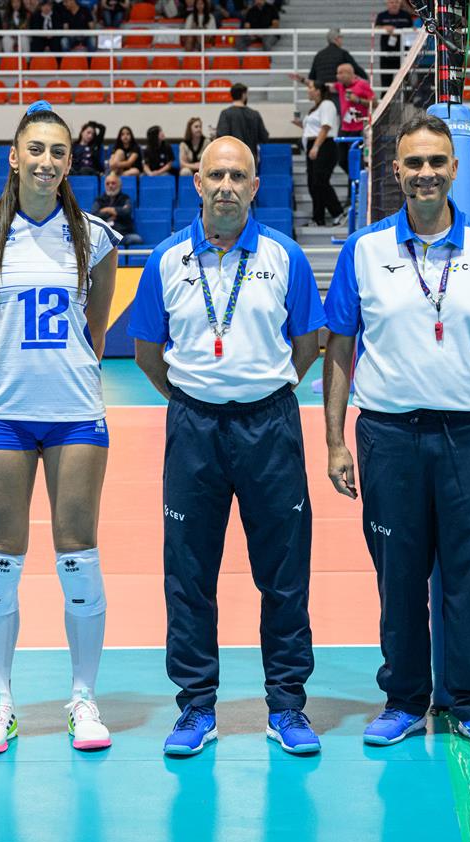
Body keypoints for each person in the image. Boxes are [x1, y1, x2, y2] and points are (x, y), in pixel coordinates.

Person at [322, 114, 470, 755]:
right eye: (414, 163)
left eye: (437, 162)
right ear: (396, 171)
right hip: (387, 436)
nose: (425, 174)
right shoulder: (364, 249)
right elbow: (340, 347)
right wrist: (335, 440)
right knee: (398, 577)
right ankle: (403, 699)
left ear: (455, 168)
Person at [128, 137, 326, 757]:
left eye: (238, 176)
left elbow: (309, 342)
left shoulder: (284, 256)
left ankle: (287, 705)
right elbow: (147, 353)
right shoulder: (166, 260)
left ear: (255, 185)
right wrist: (195, 397)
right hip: (194, 428)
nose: (226, 186)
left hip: (270, 426)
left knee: (284, 573)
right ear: (197, 181)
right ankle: (196, 706)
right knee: (188, 573)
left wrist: (266, 388)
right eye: (215, 174)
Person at [0, 101, 120, 756]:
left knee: (78, 553)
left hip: (75, 413)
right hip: (3, 414)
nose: (47, 161)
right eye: (36, 149)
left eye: (58, 151)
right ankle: (0, 701)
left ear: (69, 162)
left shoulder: (96, 237)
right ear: (15, 157)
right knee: (1, 557)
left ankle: (84, 698)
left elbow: (96, 329)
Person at [295, 81, 345, 227]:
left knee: (320, 181)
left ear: (318, 91)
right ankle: (318, 218)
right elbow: (314, 128)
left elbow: (326, 127)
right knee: (313, 184)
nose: (308, 90)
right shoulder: (314, 109)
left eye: (311, 88)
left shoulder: (327, 104)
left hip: (324, 146)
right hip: (313, 145)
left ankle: (338, 212)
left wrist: (316, 146)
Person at [334, 64, 375, 180]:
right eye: (337, 73)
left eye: (340, 73)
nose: (337, 76)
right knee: (342, 160)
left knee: (357, 160)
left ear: (349, 73)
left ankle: (357, 182)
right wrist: (302, 80)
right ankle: (354, 179)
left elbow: (374, 103)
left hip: (358, 128)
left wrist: (358, 100)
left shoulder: (362, 85)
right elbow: (323, 87)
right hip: (344, 128)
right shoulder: (340, 86)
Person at [214, 83, 270, 164]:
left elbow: (221, 138)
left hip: (231, 159)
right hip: (250, 159)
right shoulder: (254, 114)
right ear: (243, 95)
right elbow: (264, 137)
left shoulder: (225, 113)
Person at [92, 170, 141, 244]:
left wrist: (107, 210)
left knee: (136, 239)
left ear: (119, 185)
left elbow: (127, 212)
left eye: (113, 183)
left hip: (123, 234)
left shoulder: (125, 198)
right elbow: (94, 215)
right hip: (105, 236)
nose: (110, 186)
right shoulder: (99, 200)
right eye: (107, 184)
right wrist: (115, 213)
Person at [375, 0, 414, 89]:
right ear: (387, 4)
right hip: (386, 53)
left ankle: (406, 97)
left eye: (396, 2)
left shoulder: (406, 15)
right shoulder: (382, 15)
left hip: (403, 53)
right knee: (386, 82)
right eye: (391, 2)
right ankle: (385, 97)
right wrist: (384, 27)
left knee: (405, 81)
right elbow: (376, 28)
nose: (394, 4)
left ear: (400, 3)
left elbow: (412, 29)